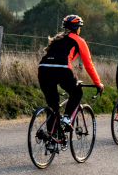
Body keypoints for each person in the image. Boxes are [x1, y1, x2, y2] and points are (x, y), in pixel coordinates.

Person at [38, 14, 104, 142]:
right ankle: (67, 118)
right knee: (77, 92)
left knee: (53, 105)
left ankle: (51, 137)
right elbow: (88, 64)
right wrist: (98, 83)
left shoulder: (57, 39)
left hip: (43, 70)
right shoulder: (79, 40)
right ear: (78, 28)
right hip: (61, 70)